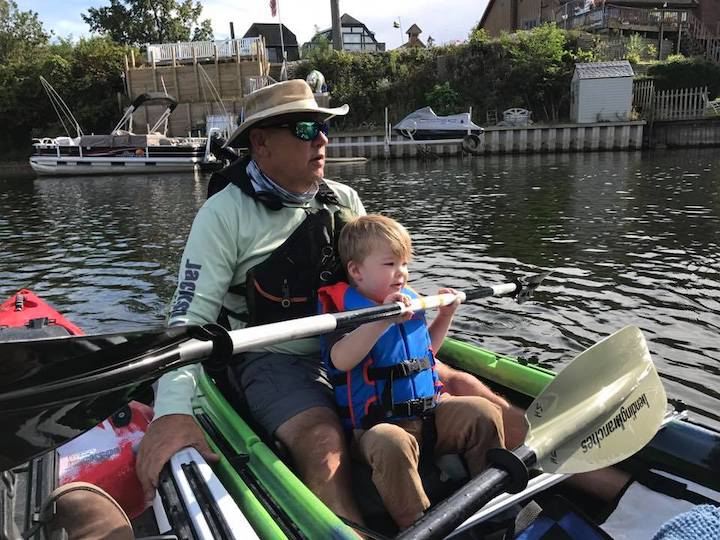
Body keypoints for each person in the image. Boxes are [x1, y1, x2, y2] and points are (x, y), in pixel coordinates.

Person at [135, 79, 367, 525]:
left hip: (352, 345)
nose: (321, 139)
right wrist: (171, 413)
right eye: (304, 128)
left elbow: (375, 277)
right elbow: (189, 317)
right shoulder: (222, 214)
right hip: (272, 358)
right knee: (323, 442)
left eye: (322, 126)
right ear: (260, 143)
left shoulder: (344, 200)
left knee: (463, 393)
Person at [317, 214, 505, 529]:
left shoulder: (410, 301)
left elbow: (425, 352)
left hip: (432, 414)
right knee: (391, 443)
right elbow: (340, 360)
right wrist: (382, 319)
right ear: (356, 271)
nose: (401, 273)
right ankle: (419, 525)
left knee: (483, 412)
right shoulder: (343, 310)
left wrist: (446, 314)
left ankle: (494, 506)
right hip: (376, 429)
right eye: (390, 264)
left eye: (404, 264)